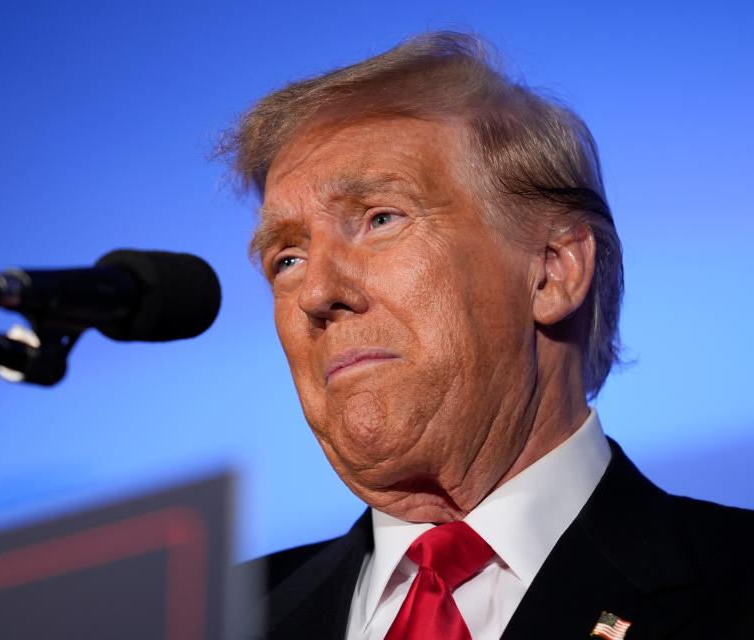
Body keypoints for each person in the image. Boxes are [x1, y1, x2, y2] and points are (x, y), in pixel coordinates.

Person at [222, 32, 754, 639]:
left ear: (553, 271)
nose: (316, 294)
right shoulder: (210, 620)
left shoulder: (736, 588)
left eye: (380, 219)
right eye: (286, 259)